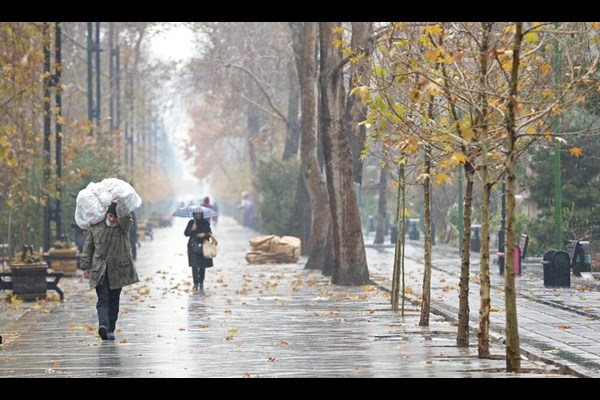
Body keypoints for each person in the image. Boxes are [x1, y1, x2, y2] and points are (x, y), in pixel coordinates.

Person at [80, 199, 139, 341]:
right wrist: (85, 267)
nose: (112, 219)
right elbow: (88, 249)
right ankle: (103, 326)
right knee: (103, 299)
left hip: (118, 271)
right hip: (100, 270)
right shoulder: (96, 229)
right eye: (110, 216)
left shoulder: (122, 228)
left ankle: (111, 328)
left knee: (114, 300)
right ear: (106, 215)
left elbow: (127, 218)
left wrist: (120, 204)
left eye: (114, 217)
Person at [184, 210, 218, 294]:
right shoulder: (191, 222)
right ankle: (195, 283)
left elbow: (209, 233)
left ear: (201, 214)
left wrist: (204, 235)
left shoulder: (205, 222)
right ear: (194, 214)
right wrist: (192, 229)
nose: (198, 215)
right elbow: (186, 233)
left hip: (203, 246)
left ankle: (201, 281)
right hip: (193, 246)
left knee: (202, 265)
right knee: (194, 265)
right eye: (196, 214)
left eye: (199, 213)